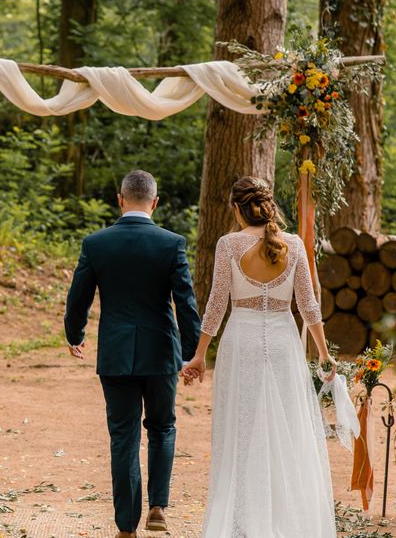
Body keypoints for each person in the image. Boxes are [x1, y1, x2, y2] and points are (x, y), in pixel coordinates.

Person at [182, 176, 338, 537]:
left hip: (242, 344)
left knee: (242, 430)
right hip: (284, 345)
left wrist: (199, 354)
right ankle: (285, 520)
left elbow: (217, 304)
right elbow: (309, 305)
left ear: (237, 209)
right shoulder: (294, 245)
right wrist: (325, 354)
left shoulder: (229, 245)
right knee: (285, 429)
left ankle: (243, 524)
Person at [64, 169, 201, 538]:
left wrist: (74, 334)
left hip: (116, 353)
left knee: (123, 435)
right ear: (154, 202)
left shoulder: (96, 243)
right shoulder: (171, 243)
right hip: (161, 354)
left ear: (120, 199)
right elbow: (185, 302)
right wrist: (190, 354)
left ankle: (126, 526)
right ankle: (158, 506)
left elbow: (79, 297)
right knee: (162, 426)